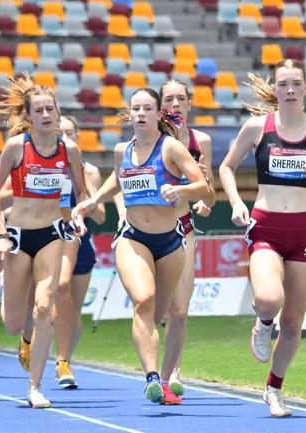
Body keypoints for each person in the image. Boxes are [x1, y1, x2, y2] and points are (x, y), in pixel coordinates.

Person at [219, 60, 306, 417]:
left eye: (296, 84)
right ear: (274, 90)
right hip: (266, 226)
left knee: (293, 323)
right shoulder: (256, 128)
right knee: (267, 299)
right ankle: (262, 325)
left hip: (305, 229)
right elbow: (226, 167)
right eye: (283, 84)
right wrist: (235, 202)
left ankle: (274, 389)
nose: (290, 90)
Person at [72, 88, 208, 405]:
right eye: (136, 108)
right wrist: (94, 200)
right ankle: (150, 378)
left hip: (171, 239)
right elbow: (119, 179)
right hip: (133, 236)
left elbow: (202, 185)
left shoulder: (171, 147)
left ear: (158, 113)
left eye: (148, 108)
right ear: (130, 114)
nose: (141, 113)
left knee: (162, 312)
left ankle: (163, 379)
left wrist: (181, 190)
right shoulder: (123, 150)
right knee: (143, 301)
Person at [0, 75, 87, 408]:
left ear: (58, 113)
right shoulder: (17, 147)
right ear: (30, 115)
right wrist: (0, 234)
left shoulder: (68, 150)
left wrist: (78, 216)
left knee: (45, 306)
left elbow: (80, 193)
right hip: (17, 237)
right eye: (39, 110)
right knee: (14, 323)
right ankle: (6, 288)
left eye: (50, 109)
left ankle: (35, 387)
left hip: (51, 235)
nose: (46, 115)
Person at [158, 80, 216, 397]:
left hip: (183, 226)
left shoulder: (201, 141)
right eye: (170, 99)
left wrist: (206, 197)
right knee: (156, 308)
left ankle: (173, 371)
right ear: (161, 106)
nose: (176, 105)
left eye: (182, 99)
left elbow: (211, 193)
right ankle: (154, 370)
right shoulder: (152, 139)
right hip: (151, 228)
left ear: (190, 104)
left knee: (180, 310)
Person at [51, 115, 105, 389]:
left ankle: (65, 362)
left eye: (69, 133)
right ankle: (59, 360)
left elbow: (101, 215)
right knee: (55, 298)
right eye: (60, 134)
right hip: (51, 239)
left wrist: (87, 205)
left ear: (78, 136)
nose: (65, 138)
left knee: (72, 308)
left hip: (81, 242)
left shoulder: (89, 170)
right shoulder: (48, 167)